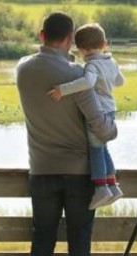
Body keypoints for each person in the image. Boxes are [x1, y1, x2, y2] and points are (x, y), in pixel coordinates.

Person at [16, 12, 117, 256]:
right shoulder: (76, 75)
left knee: (42, 241)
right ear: (70, 39)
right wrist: (112, 127)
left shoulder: (23, 69)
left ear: (42, 35)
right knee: (80, 242)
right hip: (79, 173)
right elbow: (102, 129)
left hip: (40, 170)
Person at [47, 23, 125, 209]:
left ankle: (101, 188)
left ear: (80, 49)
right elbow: (120, 81)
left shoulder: (92, 65)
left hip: (98, 111)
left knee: (96, 150)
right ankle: (112, 184)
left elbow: (87, 82)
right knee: (102, 147)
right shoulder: (111, 62)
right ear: (105, 43)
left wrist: (62, 90)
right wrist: (108, 80)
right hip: (111, 110)